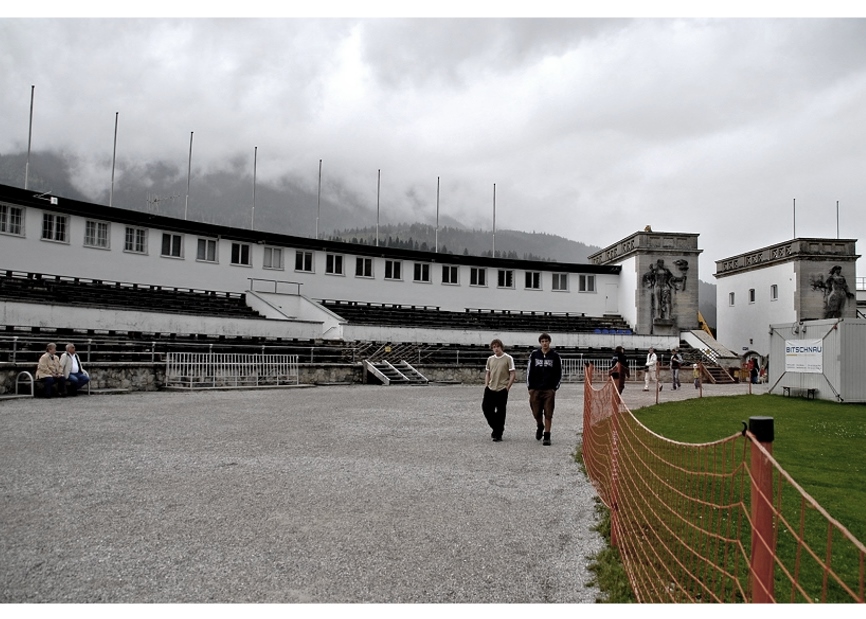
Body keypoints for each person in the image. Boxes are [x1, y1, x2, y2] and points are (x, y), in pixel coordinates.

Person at [526, 333, 562, 446]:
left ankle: (547, 435)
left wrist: (554, 387)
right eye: (542, 341)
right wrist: (530, 387)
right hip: (535, 388)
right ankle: (539, 425)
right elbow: (529, 371)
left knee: (548, 412)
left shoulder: (555, 356)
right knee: (536, 412)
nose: (544, 343)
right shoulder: (534, 354)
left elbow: (559, 372)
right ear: (540, 343)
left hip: (549, 389)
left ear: (549, 342)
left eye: (546, 341)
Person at [482, 339, 516, 442]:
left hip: (502, 388)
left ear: (501, 347)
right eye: (493, 347)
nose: (495, 349)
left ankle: (498, 433)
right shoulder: (490, 359)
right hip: (491, 388)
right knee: (486, 409)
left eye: (497, 346)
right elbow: (488, 373)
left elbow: (512, 373)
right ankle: (497, 428)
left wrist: (508, 387)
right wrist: (486, 385)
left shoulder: (508, 358)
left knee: (501, 412)